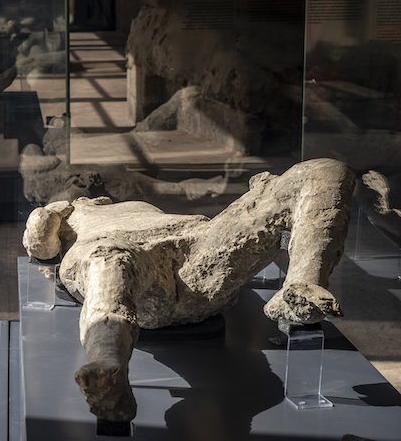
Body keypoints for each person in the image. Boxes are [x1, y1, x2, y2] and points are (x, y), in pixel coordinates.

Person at [23, 158, 355, 422]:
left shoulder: (131, 204)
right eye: (76, 181)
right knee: (111, 264)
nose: (84, 183)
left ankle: (301, 286)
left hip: (199, 250)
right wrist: (49, 215)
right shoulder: (70, 212)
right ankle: (107, 366)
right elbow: (40, 246)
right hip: (128, 265)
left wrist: (263, 191)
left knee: (323, 171)